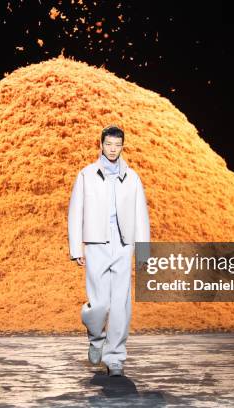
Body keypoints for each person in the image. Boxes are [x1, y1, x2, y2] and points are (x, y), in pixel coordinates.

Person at [68, 125, 150, 377]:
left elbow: (141, 215)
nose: (113, 149)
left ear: (122, 146)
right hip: (96, 243)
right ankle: (95, 338)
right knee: (99, 303)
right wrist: (76, 247)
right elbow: (76, 210)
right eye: (109, 144)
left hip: (124, 245)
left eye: (117, 145)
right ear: (101, 145)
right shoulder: (86, 175)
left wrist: (143, 253)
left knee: (120, 304)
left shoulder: (132, 177)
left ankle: (115, 358)